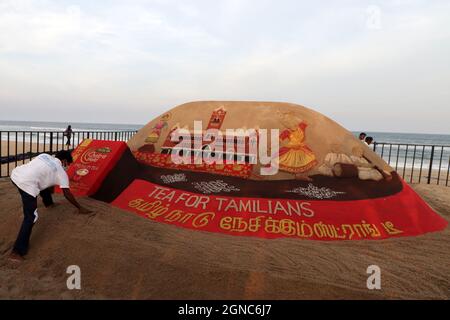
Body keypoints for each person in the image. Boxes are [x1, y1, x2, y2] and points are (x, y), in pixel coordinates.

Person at [8, 150, 91, 262]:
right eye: (68, 164)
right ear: (65, 161)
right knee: (31, 217)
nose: (67, 167)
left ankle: (49, 203)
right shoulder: (61, 172)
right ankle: (17, 252)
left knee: (41, 182)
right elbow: (67, 193)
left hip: (15, 174)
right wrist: (79, 207)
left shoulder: (44, 156)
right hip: (27, 184)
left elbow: (43, 176)